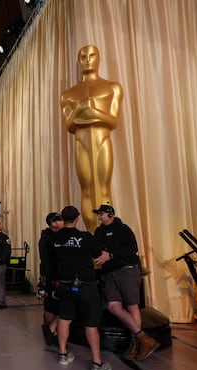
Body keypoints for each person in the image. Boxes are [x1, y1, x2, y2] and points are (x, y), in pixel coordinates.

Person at [60, 45, 123, 232]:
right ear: (78, 61)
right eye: (83, 56)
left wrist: (93, 112)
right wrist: (80, 110)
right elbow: (69, 125)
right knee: (86, 190)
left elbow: (113, 121)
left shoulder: (112, 87)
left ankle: (107, 233)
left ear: (98, 58)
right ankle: (92, 235)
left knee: (104, 189)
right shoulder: (68, 94)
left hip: (102, 140)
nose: (87, 59)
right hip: (81, 142)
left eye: (92, 55)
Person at [47, 206, 111, 370]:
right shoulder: (85, 237)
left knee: (65, 319)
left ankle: (63, 354)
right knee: (91, 323)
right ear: (77, 219)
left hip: (65, 284)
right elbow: (100, 255)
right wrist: (108, 255)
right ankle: (97, 363)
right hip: (85, 285)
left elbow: (51, 262)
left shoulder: (54, 239)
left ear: (63, 219)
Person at [93, 204, 159, 360]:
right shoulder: (98, 232)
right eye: (98, 214)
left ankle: (136, 343)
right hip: (110, 273)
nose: (99, 217)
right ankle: (143, 337)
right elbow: (96, 250)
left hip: (127, 270)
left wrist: (111, 255)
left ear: (110, 214)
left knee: (131, 306)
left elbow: (132, 249)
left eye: (101, 214)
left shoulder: (123, 229)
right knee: (113, 306)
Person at [38, 212, 64, 340]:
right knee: (51, 306)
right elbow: (48, 261)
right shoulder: (48, 238)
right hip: (52, 277)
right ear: (53, 223)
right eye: (60, 220)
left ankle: (52, 330)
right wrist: (55, 278)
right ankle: (50, 332)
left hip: (54, 275)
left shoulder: (54, 236)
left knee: (55, 306)